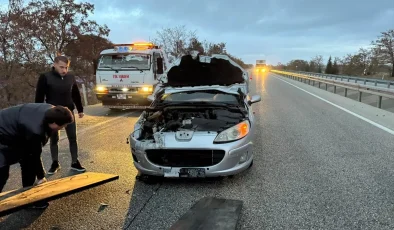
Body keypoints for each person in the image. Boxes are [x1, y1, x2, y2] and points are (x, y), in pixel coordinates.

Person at [0, 103, 74, 195]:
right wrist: (41, 176)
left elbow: (32, 153)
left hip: (16, 133)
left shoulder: (52, 111)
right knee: (2, 172)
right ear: (54, 123)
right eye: (63, 125)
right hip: (3, 133)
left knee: (28, 163)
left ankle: (27, 195)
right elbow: (35, 154)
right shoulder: (35, 130)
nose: (64, 127)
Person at [35, 55, 86, 174]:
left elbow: (75, 93)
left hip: (69, 113)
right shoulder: (45, 77)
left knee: (73, 138)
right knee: (54, 139)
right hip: (53, 114)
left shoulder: (70, 77)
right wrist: (38, 113)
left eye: (66, 67)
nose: (64, 70)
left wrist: (80, 109)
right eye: (61, 67)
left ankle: (75, 162)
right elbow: (39, 97)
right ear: (54, 65)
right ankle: (55, 163)